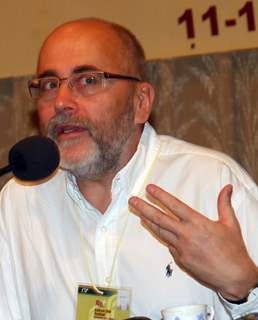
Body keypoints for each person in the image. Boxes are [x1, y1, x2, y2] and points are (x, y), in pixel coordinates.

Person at [0, 17, 258, 320]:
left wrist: (244, 288)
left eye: (88, 80)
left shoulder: (210, 183)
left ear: (141, 102)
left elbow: (246, 288)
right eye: (50, 84)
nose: (61, 102)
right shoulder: (21, 201)